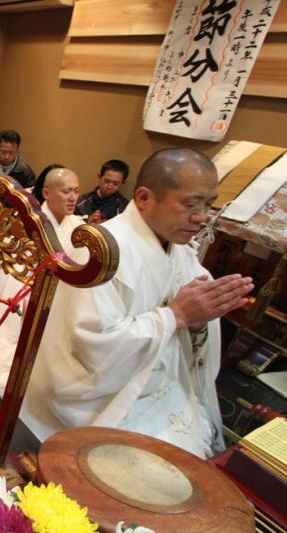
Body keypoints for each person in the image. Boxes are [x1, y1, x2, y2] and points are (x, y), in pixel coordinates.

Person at [20, 148, 254, 459]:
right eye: (190, 204)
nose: (200, 218)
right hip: (105, 400)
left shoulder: (183, 254)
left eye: (208, 205)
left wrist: (198, 322)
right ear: (143, 198)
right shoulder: (100, 251)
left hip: (162, 388)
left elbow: (191, 341)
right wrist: (176, 316)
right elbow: (90, 346)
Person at [0, 167, 86, 350]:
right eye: (66, 191)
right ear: (46, 193)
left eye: (76, 191)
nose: (73, 197)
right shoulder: (26, 222)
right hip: (24, 283)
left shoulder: (77, 224)